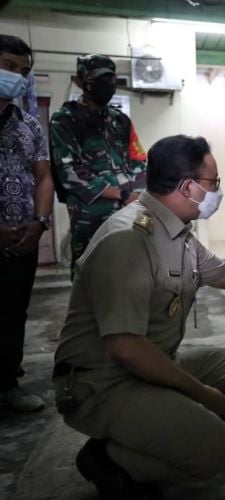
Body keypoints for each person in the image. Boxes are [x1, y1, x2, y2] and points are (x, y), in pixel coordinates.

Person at [53, 135, 225, 499]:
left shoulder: (177, 231)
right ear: (189, 187)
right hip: (102, 383)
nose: (217, 192)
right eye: (214, 183)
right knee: (215, 449)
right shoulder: (129, 238)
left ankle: (159, 424)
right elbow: (125, 347)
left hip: (155, 363)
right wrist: (201, 393)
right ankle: (109, 459)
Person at [50, 54, 147, 274]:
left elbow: (138, 159)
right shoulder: (65, 119)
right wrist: (122, 195)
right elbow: (70, 172)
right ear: (81, 82)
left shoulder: (120, 120)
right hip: (91, 218)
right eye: (99, 79)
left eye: (111, 79)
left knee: (130, 275)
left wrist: (139, 195)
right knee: (90, 279)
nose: (107, 85)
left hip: (129, 215)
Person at [0, 35, 54, 412]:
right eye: (8, 66)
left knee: (13, 312)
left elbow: (44, 178)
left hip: (23, 237)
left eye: (23, 71)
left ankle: (7, 385)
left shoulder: (29, 126)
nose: (16, 76)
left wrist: (39, 222)